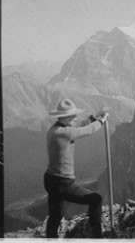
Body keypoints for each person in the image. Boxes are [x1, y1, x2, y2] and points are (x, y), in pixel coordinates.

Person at [44, 99, 108, 238]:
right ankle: (97, 236)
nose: (76, 117)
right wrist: (101, 121)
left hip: (51, 179)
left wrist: (94, 116)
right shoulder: (65, 133)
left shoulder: (55, 129)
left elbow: (77, 126)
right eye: (73, 116)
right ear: (66, 117)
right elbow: (86, 130)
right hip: (62, 183)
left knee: (55, 216)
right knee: (95, 199)